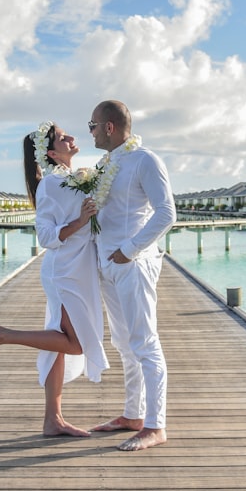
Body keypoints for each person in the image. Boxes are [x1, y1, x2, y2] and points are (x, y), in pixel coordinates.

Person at [0, 121, 109, 437]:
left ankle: (53, 419)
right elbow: (46, 235)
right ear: (50, 153)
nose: (71, 138)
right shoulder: (50, 184)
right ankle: (2, 334)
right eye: (63, 138)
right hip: (64, 272)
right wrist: (81, 220)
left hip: (78, 269)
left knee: (58, 346)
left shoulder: (72, 179)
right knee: (75, 345)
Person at [87, 100, 176, 451]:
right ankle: (132, 415)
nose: (89, 131)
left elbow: (166, 213)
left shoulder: (145, 160)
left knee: (144, 343)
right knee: (123, 343)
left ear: (109, 127)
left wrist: (131, 249)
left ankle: (156, 425)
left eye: (92, 125)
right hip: (106, 263)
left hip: (132, 263)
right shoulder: (104, 163)